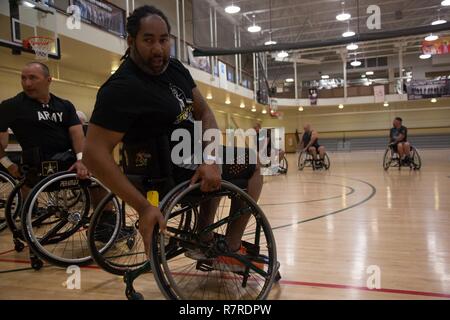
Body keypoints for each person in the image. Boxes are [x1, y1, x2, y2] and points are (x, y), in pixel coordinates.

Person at [84, 6, 263, 270]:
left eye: (164, 39)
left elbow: (205, 112)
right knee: (253, 165)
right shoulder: (121, 88)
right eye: (148, 40)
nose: (158, 48)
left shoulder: (175, 68)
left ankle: (204, 238)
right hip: (169, 172)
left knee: (217, 162)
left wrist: (210, 158)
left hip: (188, 159)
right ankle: (230, 247)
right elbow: (93, 155)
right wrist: (143, 207)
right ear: (131, 41)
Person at [0, 62, 88, 185]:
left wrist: (81, 159)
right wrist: (8, 164)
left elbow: (77, 134)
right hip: (36, 165)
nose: (27, 83)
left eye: (33, 78)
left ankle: (102, 204)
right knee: (26, 183)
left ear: (49, 80)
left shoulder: (65, 105)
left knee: (95, 178)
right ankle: (27, 203)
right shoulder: (12, 106)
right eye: (23, 78)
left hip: (67, 159)